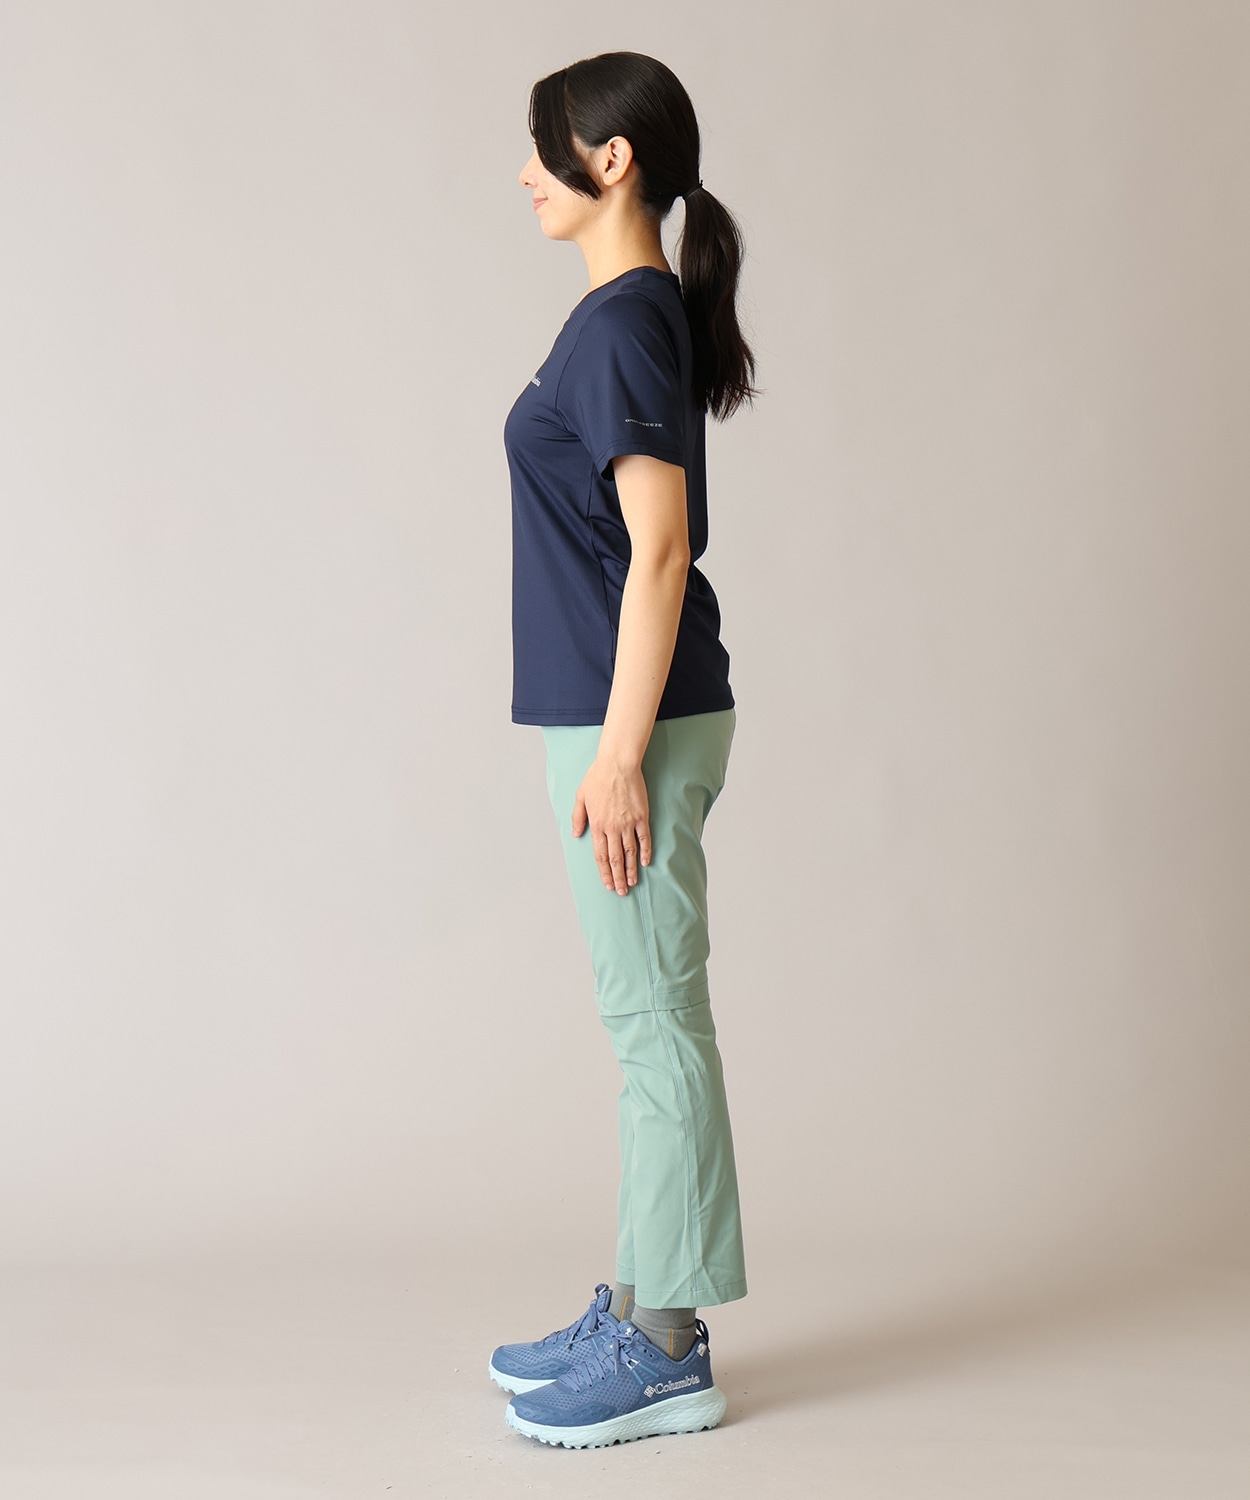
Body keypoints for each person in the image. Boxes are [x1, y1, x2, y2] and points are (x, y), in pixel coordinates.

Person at [489, 50, 760, 1450]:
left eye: (545, 146)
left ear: (612, 161)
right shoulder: (624, 314)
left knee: (655, 1025)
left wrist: (616, 754)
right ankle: (644, 1302)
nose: (524, 173)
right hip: (617, 716)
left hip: (631, 724)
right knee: (643, 1020)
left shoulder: (623, 323)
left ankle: (664, 1349)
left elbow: (661, 551)